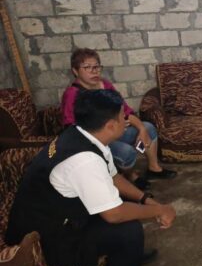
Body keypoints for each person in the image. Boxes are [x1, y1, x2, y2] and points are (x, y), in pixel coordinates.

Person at [6, 89, 177, 266]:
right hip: (42, 239)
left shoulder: (84, 134)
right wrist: (160, 210)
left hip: (59, 213)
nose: (127, 120)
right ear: (111, 125)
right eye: (123, 117)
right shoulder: (85, 160)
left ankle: (129, 257)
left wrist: (146, 200)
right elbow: (114, 214)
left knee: (127, 206)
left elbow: (113, 178)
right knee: (128, 232)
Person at [61, 48, 176, 188]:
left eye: (96, 66)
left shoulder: (105, 85)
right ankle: (130, 176)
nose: (94, 71)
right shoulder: (72, 94)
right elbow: (71, 128)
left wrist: (141, 129)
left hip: (115, 131)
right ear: (75, 71)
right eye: (87, 67)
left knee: (148, 128)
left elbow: (125, 111)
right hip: (96, 141)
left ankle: (154, 168)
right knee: (126, 152)